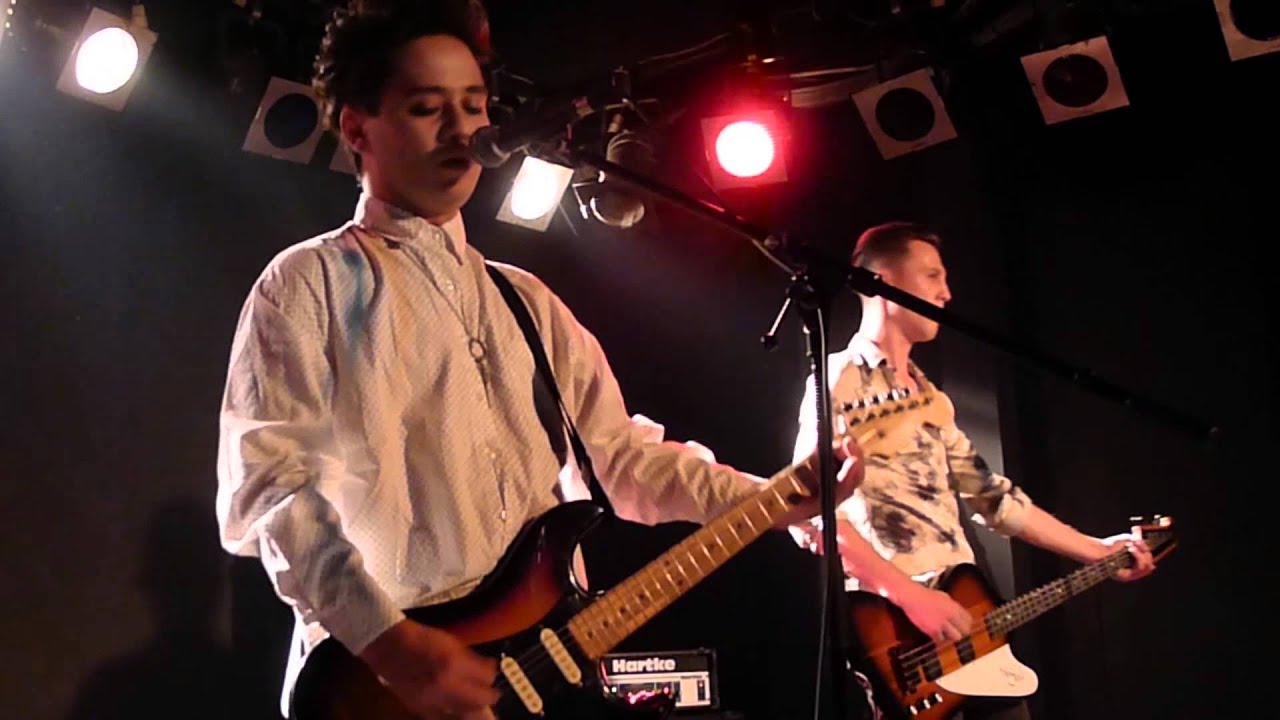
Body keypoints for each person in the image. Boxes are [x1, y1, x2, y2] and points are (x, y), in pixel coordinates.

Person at [213, 2, 864, 719]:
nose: (463, 130)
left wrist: (768, 500)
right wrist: (389, 642)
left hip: (538, 682)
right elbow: (271, 489)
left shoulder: (525, 299)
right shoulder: (308, 282)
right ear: (357, 129)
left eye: (474, 106)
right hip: (388, 686)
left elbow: (619, 460)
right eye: (428, 108)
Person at [789, 222, 1156, 720]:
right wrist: (910, 596)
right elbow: (807, 515)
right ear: (882, 281)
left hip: (966, 619)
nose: (946, 292)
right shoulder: (839, 378)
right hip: (902, 633)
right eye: (931, 275)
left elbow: (995, 500)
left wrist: (1099, 550)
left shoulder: (931, 398)